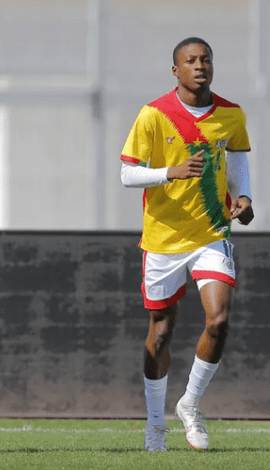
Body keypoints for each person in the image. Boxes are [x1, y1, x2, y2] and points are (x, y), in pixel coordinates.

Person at [119, 37, 254, 452]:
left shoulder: (230, 114)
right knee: (161, 332)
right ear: (175, 70)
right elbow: (127, 174)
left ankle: (190, 403)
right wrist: (170, 172)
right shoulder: (154, 114)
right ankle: (155, 423)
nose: (199, 66)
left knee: (219, 320)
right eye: (190, 60)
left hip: (211, 233)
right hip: (163, 237)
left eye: (205, 59)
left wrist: (244, 197)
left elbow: (237, 159)